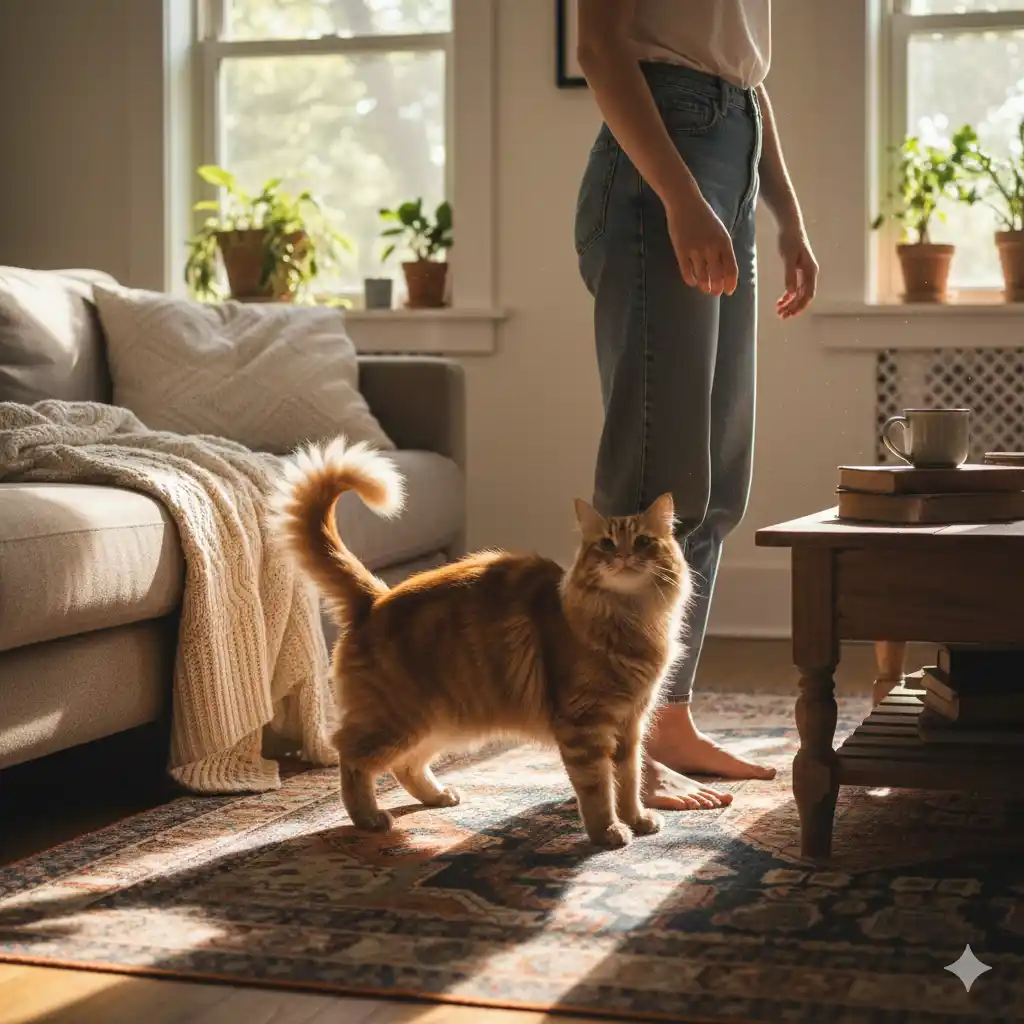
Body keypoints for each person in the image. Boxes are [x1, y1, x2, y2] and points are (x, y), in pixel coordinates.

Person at [574, 1, 818, 810]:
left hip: (732, 154)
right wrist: (679, 197)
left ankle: (667, 718)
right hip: (661, 166)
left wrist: (787, 216)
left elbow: (745, 76)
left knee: (712, 486)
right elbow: (602, 49)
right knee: (655, 478)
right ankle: (614, 742)